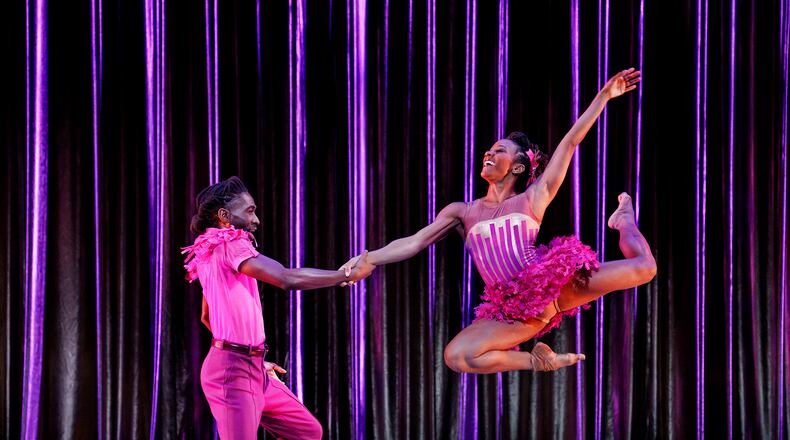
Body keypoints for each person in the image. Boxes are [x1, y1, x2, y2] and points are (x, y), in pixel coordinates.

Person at [342, 68, 654, 373]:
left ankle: (624, 218)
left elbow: (570, 143)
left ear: (518, 168)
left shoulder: (532, 198)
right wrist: (369, 258)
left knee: (645, 268)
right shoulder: (461, 212)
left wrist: (603, 97)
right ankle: (538, 361)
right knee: (458, 356)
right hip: (517, 312)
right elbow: (415, 241)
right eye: (489, 150)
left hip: (555, 286)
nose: (489, 154)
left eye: (500, 150)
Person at [183, 176, 374, 439]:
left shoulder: (210, 249)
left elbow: (207, 315)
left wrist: (253, 357)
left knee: (307, 431)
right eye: (250, 211)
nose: (256, 220)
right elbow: (286, 278)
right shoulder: (230, 243)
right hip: (233, 374)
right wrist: (345, 275)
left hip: (250, 367)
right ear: (225, 215)